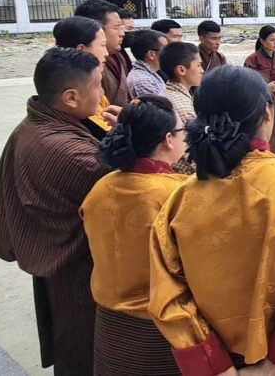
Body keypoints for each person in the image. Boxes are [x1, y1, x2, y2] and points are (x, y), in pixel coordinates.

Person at [149, 66, 275, 375]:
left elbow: (167, 292)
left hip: (215, 364)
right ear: (267, 112)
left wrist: (216, 365)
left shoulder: (180, 200)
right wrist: (272, 363)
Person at [0, 47, 111, 374]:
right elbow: (132, 186)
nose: (102, 96)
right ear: (71, 97)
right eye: (98, 86)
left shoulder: (36, 123)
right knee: (85, 346)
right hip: (75, 266)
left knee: (71, 339)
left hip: (53, 258)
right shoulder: (70, 153)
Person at [80, 95, 187, 375]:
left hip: (110, 325)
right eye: (181, 130)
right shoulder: (179, 195)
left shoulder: (101, 188)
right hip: (161, 328)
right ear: (167, 140)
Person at [52, 15, 120, 139]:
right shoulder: (81, 89)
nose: (106, 53)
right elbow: (106, 134)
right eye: (102, 45)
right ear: (82, 50)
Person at [244, 25, 275, 159]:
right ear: (262, 41)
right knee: (264, 134)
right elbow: (247, 83)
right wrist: (266, 87)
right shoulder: (252, 59)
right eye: (272, 40)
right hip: (261, 103)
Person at [76, 0, 131, 107]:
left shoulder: (119, 55)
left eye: (121, 27)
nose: (122, 33)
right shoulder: (83, 69)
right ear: (96, 28)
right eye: (116, 27)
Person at [160, 41, 203, 173]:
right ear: (181, 70)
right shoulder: (181, 106)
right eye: (199, 65)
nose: (202, 70)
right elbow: (193, 154)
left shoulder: (170, 92)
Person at [127, 30, 169, 98]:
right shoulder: (143, 81)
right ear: (151, 54)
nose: (170, 53)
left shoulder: (152, 73)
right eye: (166, 49)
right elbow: (156, 108)